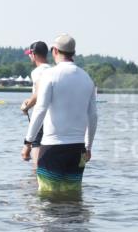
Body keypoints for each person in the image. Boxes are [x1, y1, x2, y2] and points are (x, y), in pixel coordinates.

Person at [21, 33, 98, 194]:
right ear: (73, 53)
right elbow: (93, 116)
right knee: (73, 197)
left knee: (48, 197)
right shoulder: (87, 78)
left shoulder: (50, 75)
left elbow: (40, 110)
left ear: (55, 51)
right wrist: (88, 147)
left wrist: (28, 143)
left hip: (52, 147)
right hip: (78, 150)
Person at [20, 40, 52, 165]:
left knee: (36, 144)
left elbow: (39, 94)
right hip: (52, 117)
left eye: (29, 54)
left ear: (33, 54)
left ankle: (35, 176)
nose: (29, 57)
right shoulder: (52, 69)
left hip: (41, 115)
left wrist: (26, 107)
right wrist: (29, 100)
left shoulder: (37, 72)